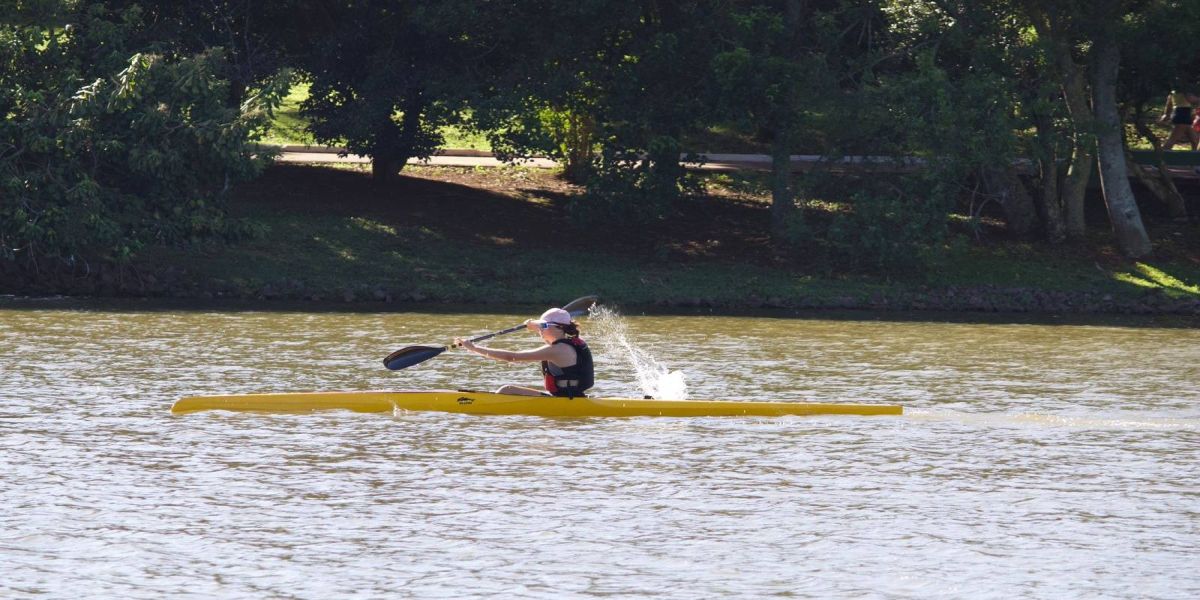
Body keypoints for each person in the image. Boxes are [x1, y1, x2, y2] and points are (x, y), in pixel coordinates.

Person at [455, 307, 594, 397]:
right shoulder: (568, 343)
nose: (540, 330)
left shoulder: (557, 350)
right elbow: (550, 337)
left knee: (506, 390)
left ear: (559, 328)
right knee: (507, 390)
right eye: (540, 326)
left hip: (563, 399)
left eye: (543, 326)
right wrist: (536, 326)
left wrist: (474, 348)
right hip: (571, 395)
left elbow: (511, 357)